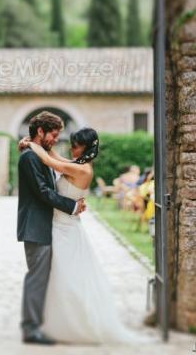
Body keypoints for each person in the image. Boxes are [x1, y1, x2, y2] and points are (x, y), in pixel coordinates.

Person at [19, 126, 159, 346]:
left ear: (85, 147)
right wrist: (37, 144)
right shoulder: (77, 165)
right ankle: (52, 321)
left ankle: (78, 323)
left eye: (76, 145)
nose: (72, 148)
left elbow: (50, 162)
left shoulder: (83, 170)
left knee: (69, 278)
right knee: (55, 278)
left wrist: (32, 146)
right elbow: (55, 157)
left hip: (66, 230)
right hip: (56, 226)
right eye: (72, 145)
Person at [17, 111, 86, 345]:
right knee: (36, 278)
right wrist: (72, 206)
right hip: (36, 226)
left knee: (43, 277)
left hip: (47, 226)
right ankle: (30, 329)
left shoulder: (40, 154)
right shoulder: (29, 158)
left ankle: (38, 323)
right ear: (40, 132)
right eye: (54, 135)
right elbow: (43, 192)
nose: (57, 139)